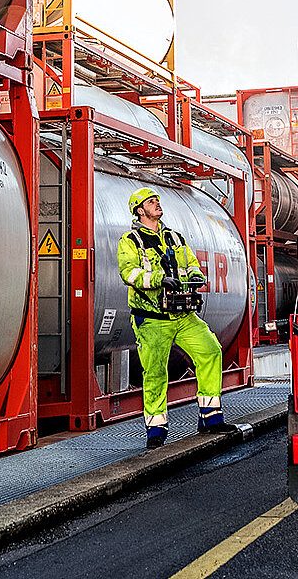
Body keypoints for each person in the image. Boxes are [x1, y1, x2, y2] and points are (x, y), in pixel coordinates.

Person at [117, 186, 235, 448]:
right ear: (139, 210)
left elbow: (191, 262)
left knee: (210, 350)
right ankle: (156, 431)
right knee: (156, 372)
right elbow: (129, 274)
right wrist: (160, 279)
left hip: (182, 314)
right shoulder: (130, 241)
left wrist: (194, 275)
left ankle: (210, 417)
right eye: (151, 201)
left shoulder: (175, 238)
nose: (157, 203)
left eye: (157, 200)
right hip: (151, 318)